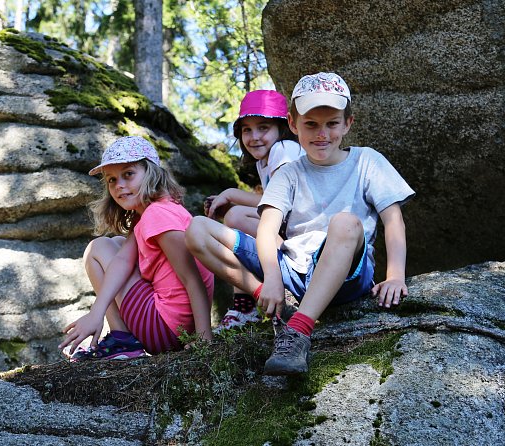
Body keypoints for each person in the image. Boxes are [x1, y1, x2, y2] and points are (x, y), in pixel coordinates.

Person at [186, 72, 415, 375]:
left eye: (332, 123)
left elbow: (393, 218)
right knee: (198, 229)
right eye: (311, 124)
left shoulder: (367, 161)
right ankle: (274, 302)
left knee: (345, 222)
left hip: (347, 273)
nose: (322, 133)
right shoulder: (289, 173)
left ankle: (298, 329)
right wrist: (271, 278)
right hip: (294, 270)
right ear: (293, 125)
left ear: (348, 123)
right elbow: (267, 227)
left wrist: (396, 275)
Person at [60, 136, 214, 360]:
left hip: (165, 328)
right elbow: (123, 260)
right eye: (111, 180)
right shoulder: (155, 211)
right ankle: (123, 338)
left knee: (98, 248)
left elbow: (194, 279)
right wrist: (96, 312)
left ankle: (122, 340)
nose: (119, 185)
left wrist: (204, 339)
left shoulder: (157, 215)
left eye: (128, 174)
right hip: (175, 327)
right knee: (118, 243)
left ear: (151, 173)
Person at [204, 90, 304, 332]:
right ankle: (245, 304)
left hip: (302, 244)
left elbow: (279, 203)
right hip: (290, 237)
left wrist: (231, 198)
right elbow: (266, 201)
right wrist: (227, 195)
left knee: (235, 217)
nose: (254, 137)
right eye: (247, 130)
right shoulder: (265, 161)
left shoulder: (285, 149)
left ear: (283, 127)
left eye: (263, 128)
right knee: (235, 215)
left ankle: (245, 305)